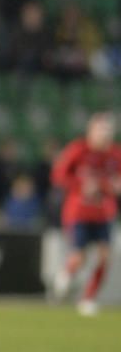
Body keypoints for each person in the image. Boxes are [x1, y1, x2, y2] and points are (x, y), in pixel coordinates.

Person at [50, 113, 121, 317]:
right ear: (91, 131)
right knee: (79, 256)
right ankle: (66, 274)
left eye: (108, 130)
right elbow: (58, 175)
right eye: (100, 130)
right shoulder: (78, 149)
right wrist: (80, 186)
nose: (104, 135)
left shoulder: (116, 154)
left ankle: (88, 298)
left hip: (104, 212)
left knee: (104, 257)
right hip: (79, 211)